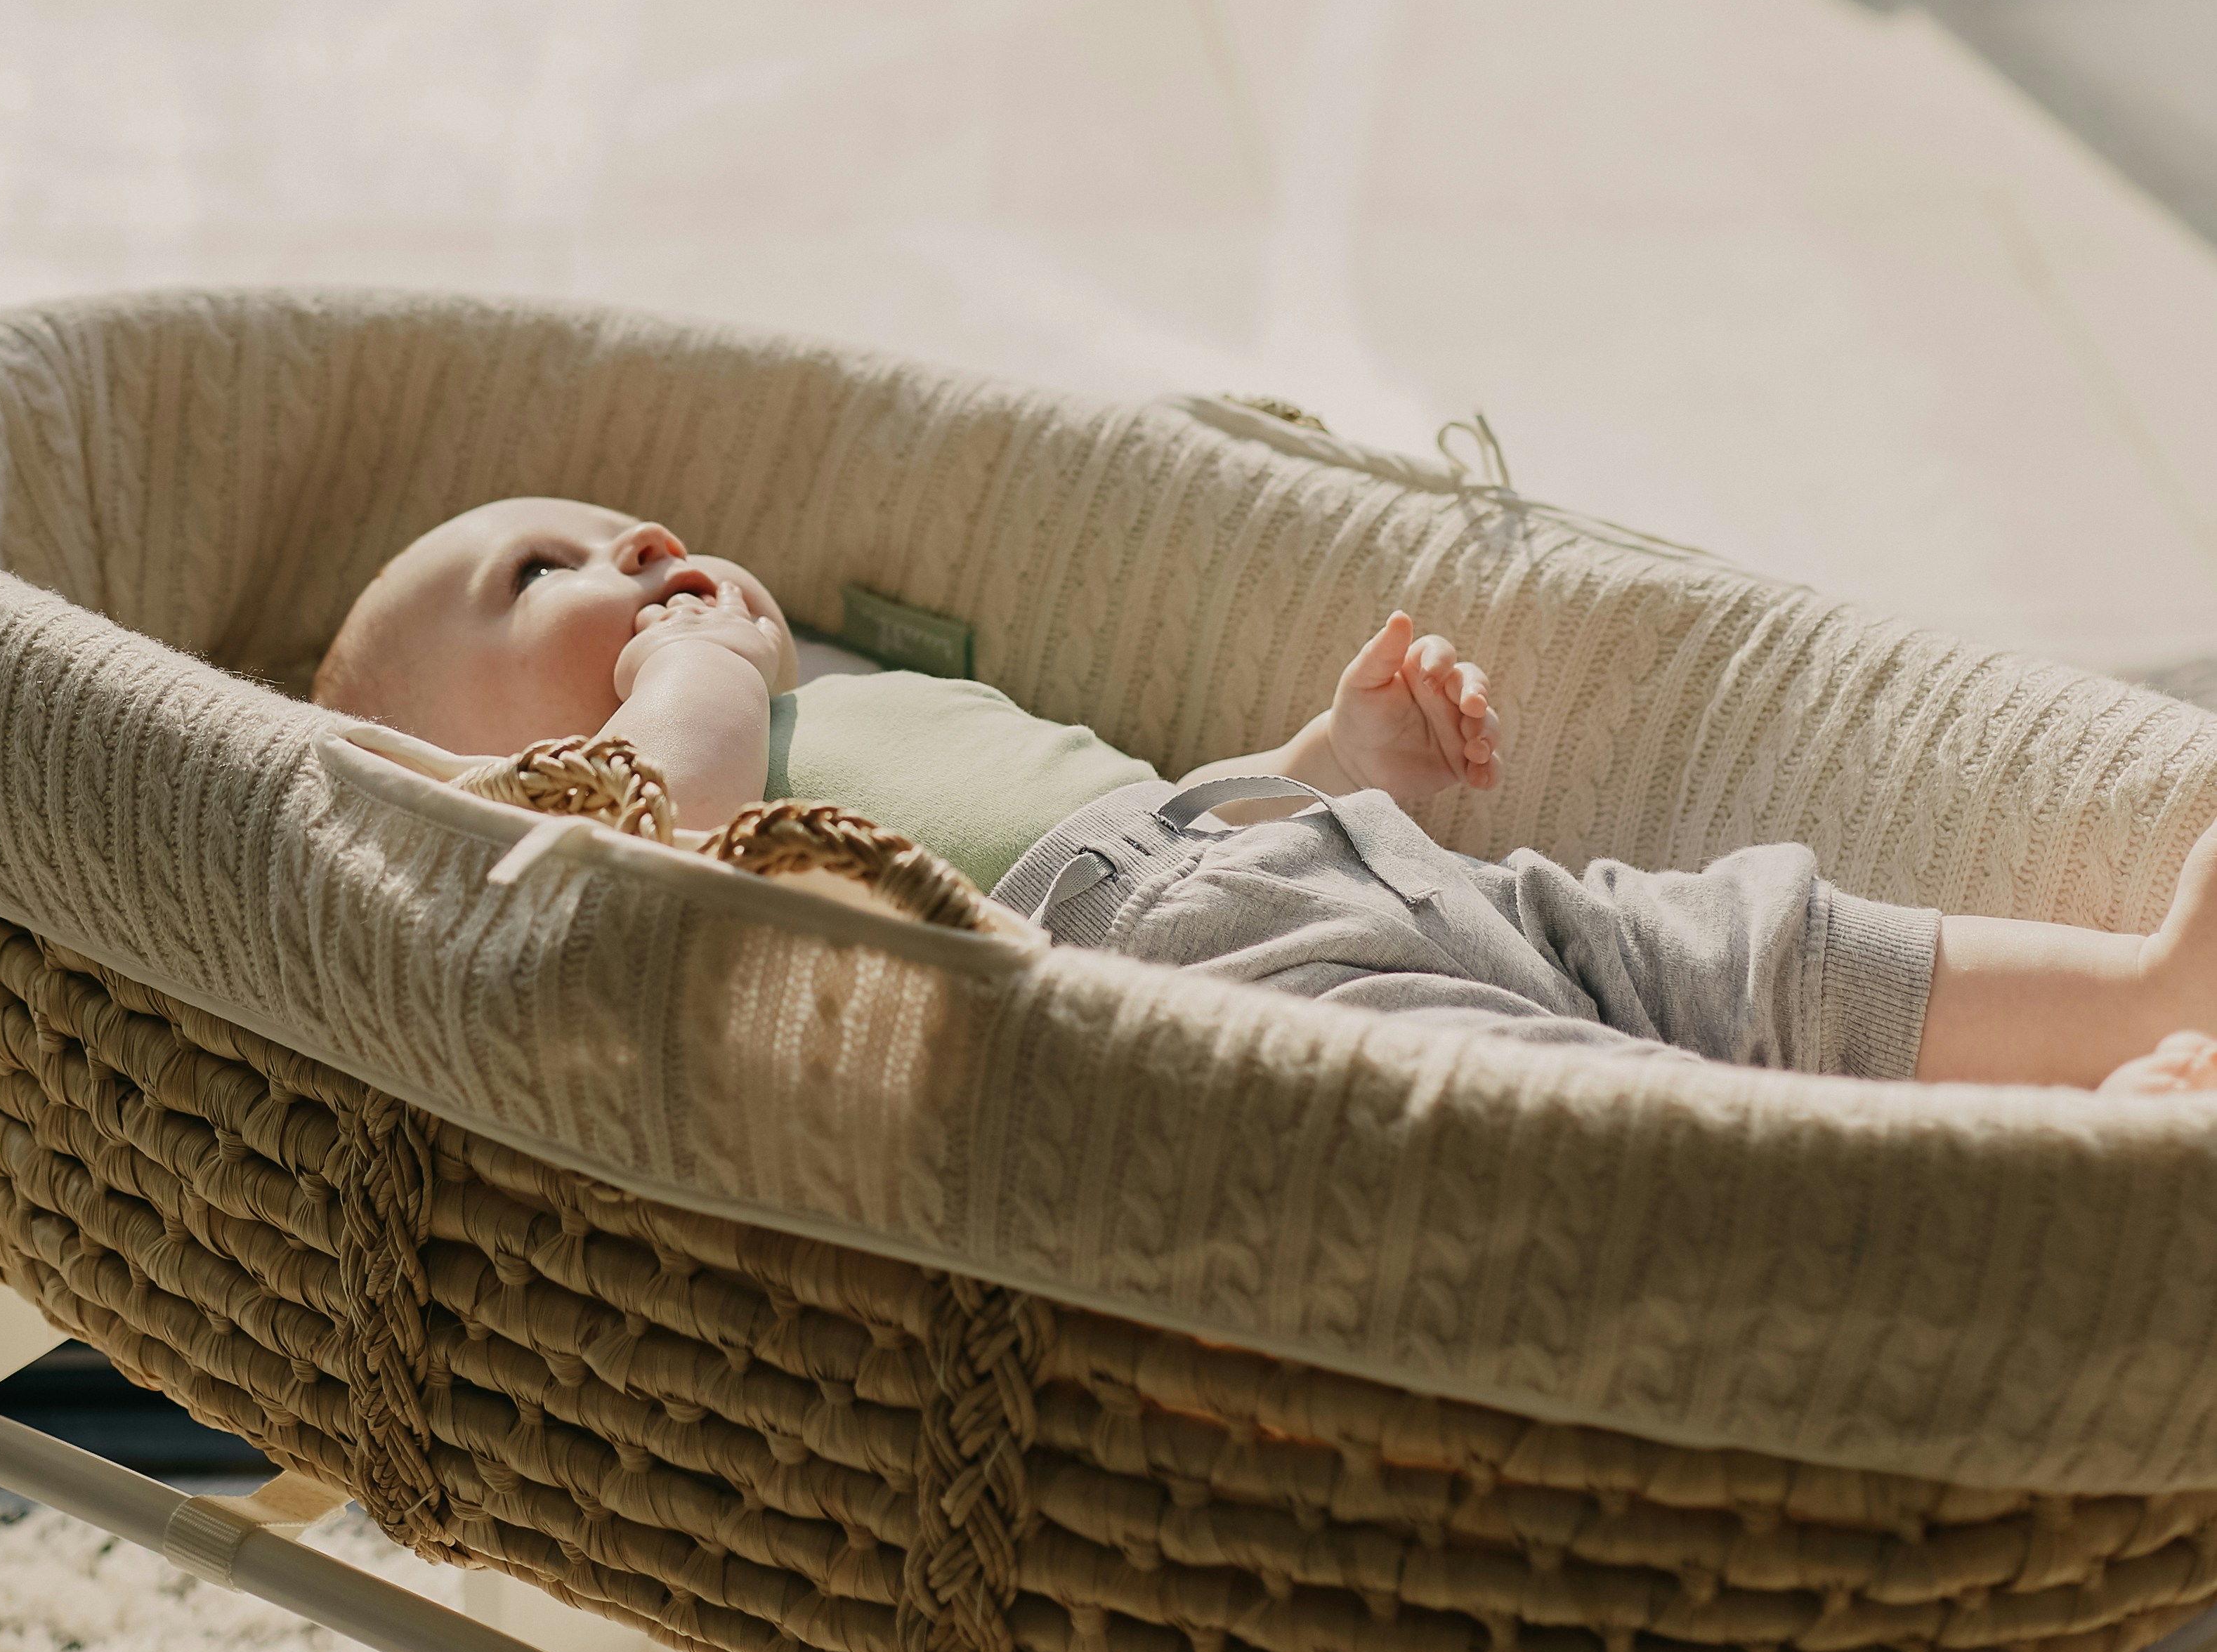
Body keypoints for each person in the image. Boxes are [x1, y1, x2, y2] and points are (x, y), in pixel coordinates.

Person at [311, 496, 2217, 1102]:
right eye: (535, 574)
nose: (632, 539)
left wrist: (1327, 764)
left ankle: (2133, 996)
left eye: (615, 512)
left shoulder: (851, 700)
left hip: (1271, 871)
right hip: (1165, 985)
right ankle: (2005, 1177)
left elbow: (1133, 807)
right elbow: (633, 871)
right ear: (464, 762)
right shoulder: (604, 803)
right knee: (1587, 1107)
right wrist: (695, 690)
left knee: (1733, 940)